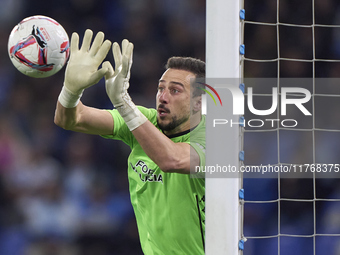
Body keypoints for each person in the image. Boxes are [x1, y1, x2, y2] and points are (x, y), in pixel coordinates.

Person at [54, 29, 206, 255]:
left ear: (198, 103)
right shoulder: (145, 121)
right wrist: (71, 90)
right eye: (160, 88)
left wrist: (124, 104)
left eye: (175, 90)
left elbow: (172, 159)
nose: (163, 97)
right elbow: (70, 119)